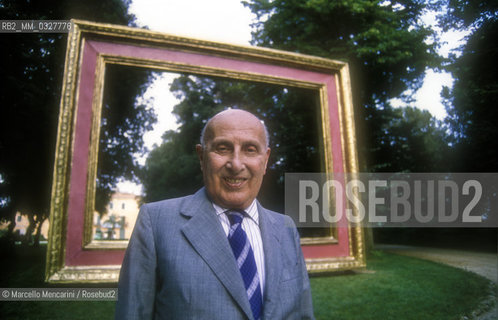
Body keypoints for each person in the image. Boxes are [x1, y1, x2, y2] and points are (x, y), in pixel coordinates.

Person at [115, 109, 314, 320]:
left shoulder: (285, 229)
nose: (236, 164)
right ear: (202, 157)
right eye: (223, 148)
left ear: (265, 160)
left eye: (250, 149)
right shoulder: (155, 223)